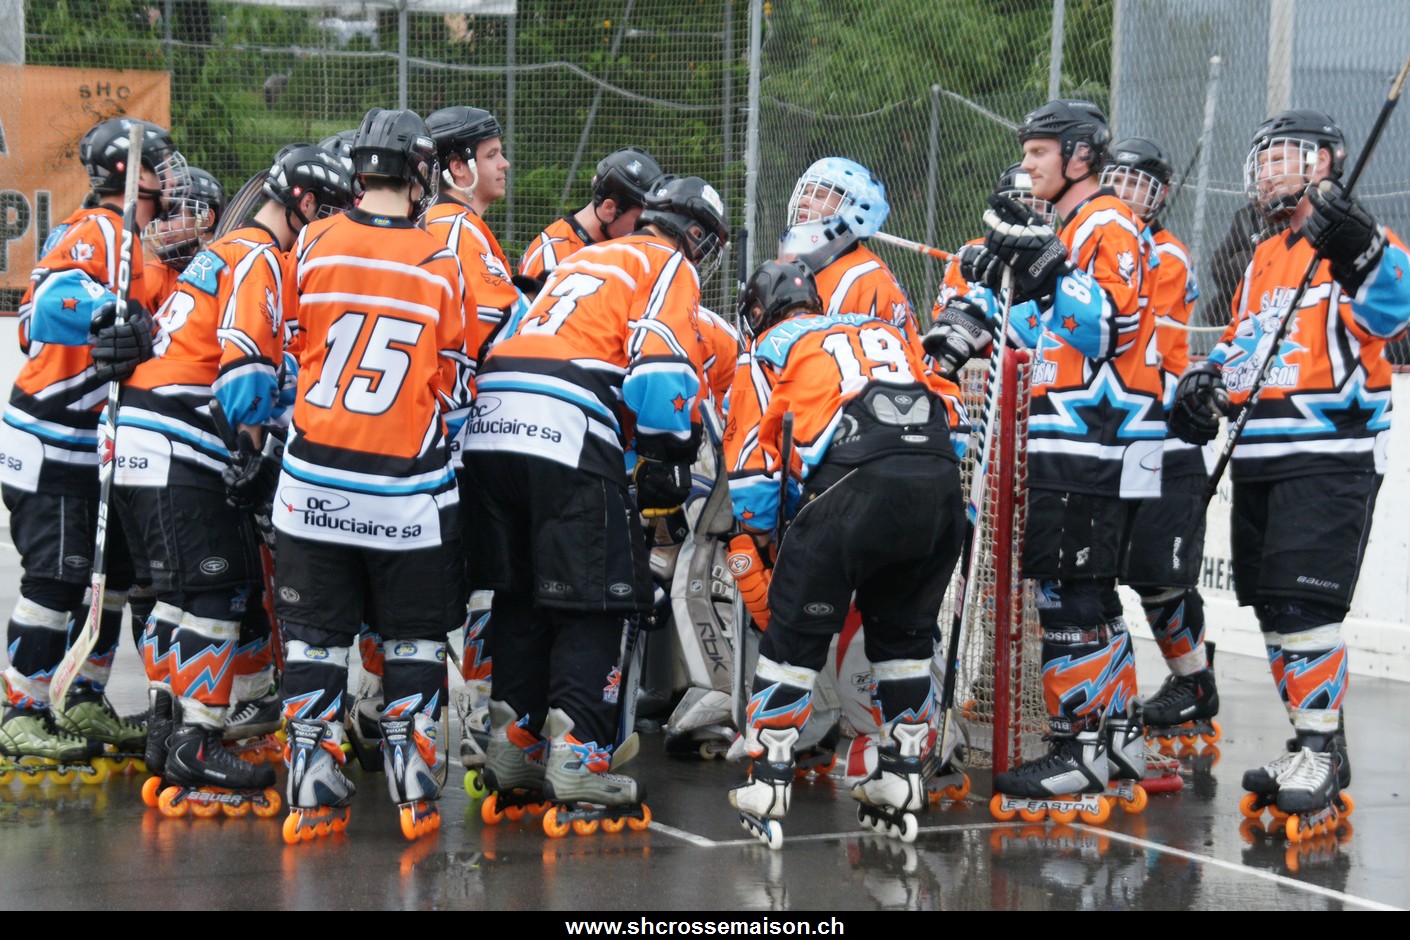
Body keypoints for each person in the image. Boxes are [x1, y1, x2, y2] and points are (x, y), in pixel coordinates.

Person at [461, 175, 729, 834]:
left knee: (523, 594)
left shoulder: (581, 258)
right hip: (564, 423)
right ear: (696, 234)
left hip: (492, 424)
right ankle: (579, 757)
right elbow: (660, 366)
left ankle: (515, 747)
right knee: (601, 597)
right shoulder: (667, 263)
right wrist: (667, 452)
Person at [1167, 109, 1410, 823]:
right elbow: (1246, 341)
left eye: (1284, 156)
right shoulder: (1265, 256)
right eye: (1263, 158)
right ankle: (1312, 741)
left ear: (1326, 162)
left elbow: (1394, 314)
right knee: (1274, 607)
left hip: (1328, 455)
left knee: (1307, 608)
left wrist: (1364, 250)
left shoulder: (1360, 241)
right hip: (1260, 458)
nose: (1268, 171)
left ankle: (1321, 751)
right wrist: (1207, 382)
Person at [117, 142, 355, 815]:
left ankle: (167, 729)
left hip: (138, 440)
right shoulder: (261, 257)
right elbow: (245, 373)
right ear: (304, 203)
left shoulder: (221, 251)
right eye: (330, 213)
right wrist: (251, 459)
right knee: (219, 592)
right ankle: (198, 739)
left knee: (175, 595)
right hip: (180, 442)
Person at [723, 259, 967, 848]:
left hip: (853, 484)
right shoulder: (879, 328)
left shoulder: (765, 350)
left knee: (794, 637)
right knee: (905, 639)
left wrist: (765, 534)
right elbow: (953, 413)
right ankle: (903, 775)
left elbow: (752, 471)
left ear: (757, 311)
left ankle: (769, 778)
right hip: (939, 487)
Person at [275, 108, 469, 844]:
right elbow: (453, 385)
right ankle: (412, 781)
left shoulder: (314, 241)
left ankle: (312, 782)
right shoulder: (440, 260)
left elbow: (292, 345)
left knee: (315, 638)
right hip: (404, 493)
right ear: (418, 173)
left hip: (312, 484)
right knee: (414, 637)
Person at [968, 100, 1165, 819]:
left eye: (1039, 153)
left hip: (1096, 438)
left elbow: (1107, 328)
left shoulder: (1106, 222)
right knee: (1088, 593)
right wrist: (998, 277)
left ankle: (1079, 748)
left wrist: (1043, 265)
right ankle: (1115, 739)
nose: (1026, 166)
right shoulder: (1077, 226)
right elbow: (1044, 328)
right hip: (1085, 436)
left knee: (1067, 593)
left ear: (1081, 156)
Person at [0, 117, 188, 781]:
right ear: (129, 174)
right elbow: (44, 308)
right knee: (56, 578)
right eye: (161, 164)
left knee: (108, 577)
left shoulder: (140, 246)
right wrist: (108, 313)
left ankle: (83, 696)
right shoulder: (99, 230)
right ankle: (21, 708)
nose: (171, 177)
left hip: (92, 449)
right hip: (50, 441)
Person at [773, 156, 930, 785]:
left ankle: (888, 733)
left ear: (856, 214)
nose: (807, 206)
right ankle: (818, 723)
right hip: (842, 459)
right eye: (806, 192)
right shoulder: (816, 271)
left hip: (862, 463)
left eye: (824, 196)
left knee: (860, 606)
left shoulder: (860, 278)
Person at [1101, 138, 1220, 760]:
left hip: (1164, 430)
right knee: (1111, 570)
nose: (1124, 193)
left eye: (1137, 184)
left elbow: (1124, 325)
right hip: (1116, 431)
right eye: (1115, 180)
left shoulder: (1163, 254)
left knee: (1158, 573)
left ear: (1160, 194)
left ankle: (1193, 680)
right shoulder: (1102, 241)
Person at [518, 147, 665, 291]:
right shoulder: (551, 254)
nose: (645, 229)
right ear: (609, 208)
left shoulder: (623, 248)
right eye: (638, 219)